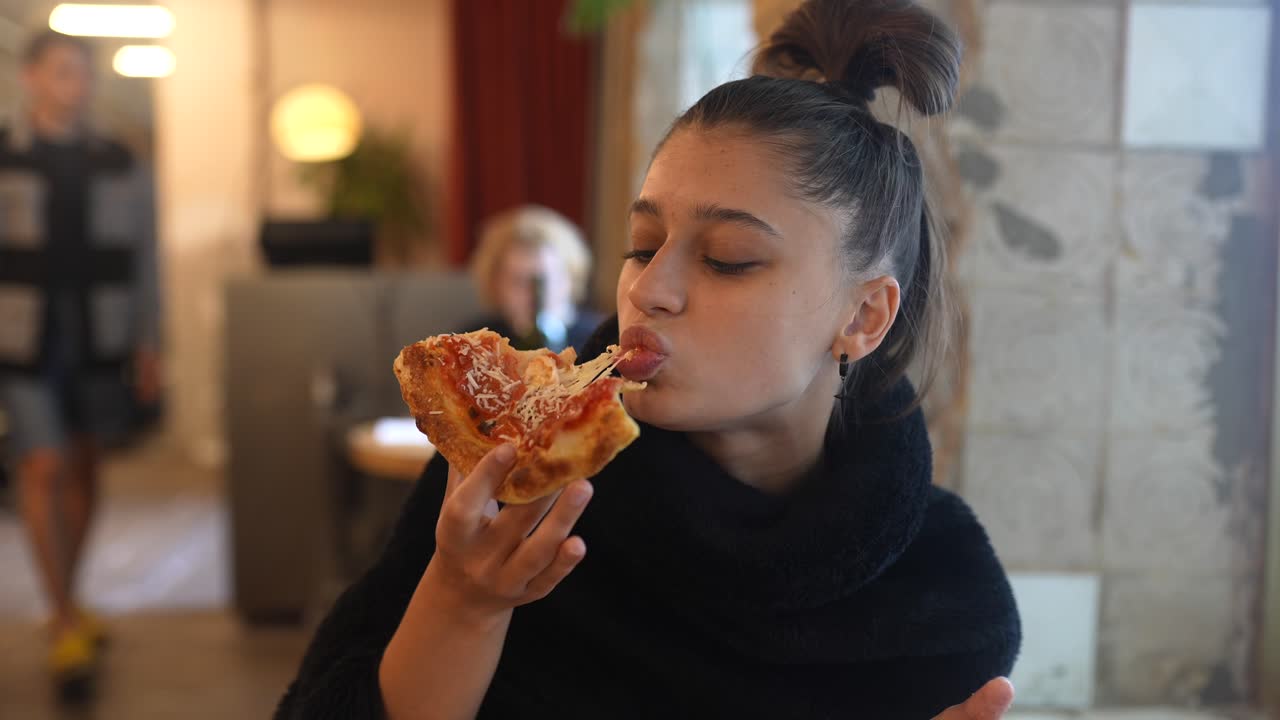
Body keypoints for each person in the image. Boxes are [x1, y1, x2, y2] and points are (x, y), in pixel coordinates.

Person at [277, 0, 1020, 717]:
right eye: (642, 245)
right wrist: (463, 602)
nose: (648, 289)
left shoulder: (944, 598)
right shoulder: (513, 488)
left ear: (863, 317)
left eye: (727, 258)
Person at [0, 31, 160, 697]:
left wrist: (150, 342)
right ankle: (63, 617)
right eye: (63, 71)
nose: (77, 84)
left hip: (102, 333)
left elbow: (145, 257)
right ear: (32, 77)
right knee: (43, 464)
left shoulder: (119, 158)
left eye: (84, 73)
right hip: (22, 337)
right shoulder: (6, 154)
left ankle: (69, 592)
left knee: (87, 466)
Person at [464, 204, 602, 353]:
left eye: (544, 280)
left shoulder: (602, 341)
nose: (533, 292)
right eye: (518, 281)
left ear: (570, 278)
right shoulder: (475, 344)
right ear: (495, 284)